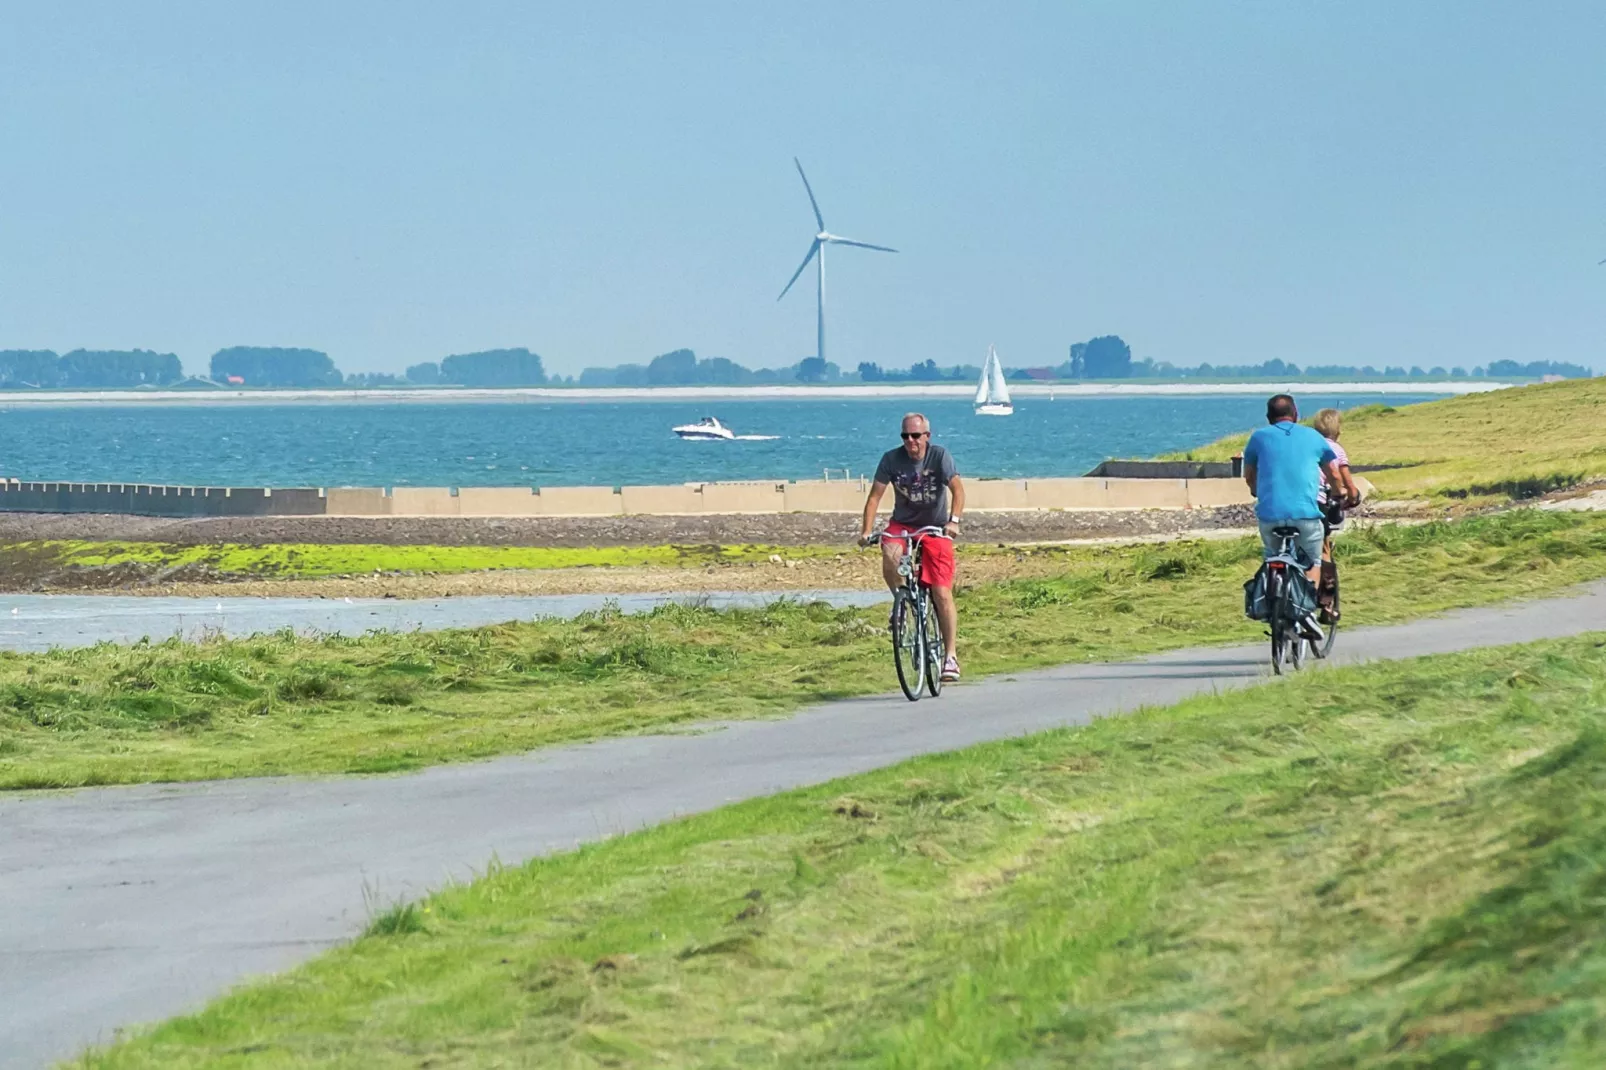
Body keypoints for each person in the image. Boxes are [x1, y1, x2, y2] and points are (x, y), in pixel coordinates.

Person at [859, 413, 966, 681]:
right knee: (890, 553)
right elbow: (874, 497)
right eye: (905, 436)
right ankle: (901, 603)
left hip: (936, 528)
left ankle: (950, 656)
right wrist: (866, 531)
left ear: (927, 436)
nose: (910, 441)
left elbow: (958, 490)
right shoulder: (891, 460)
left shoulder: (940, 457)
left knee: (942, 593)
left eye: (916, 436)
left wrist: (953, 521)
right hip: (902, 525)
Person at [1242, 394, 1343, 639]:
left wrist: (1257, 491)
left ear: (1268, 417)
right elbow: (1334, 473)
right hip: (1305, 516)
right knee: (1313, 560)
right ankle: (1306, 610)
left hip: (1270, 515)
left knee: (1272, 555)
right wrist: (1339, 494)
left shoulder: (1258, 438)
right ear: (1296, 414)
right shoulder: (1313, 437)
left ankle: (1273, 603)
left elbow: (1250, 476)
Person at [1311, 407, 1362, 620]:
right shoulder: (1337, 450)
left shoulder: (1310, 445)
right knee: (1324, 550)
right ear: (1337, 429)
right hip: (1318, 503)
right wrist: (1352, 497)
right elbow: (1345, 482)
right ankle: (1326, 605)